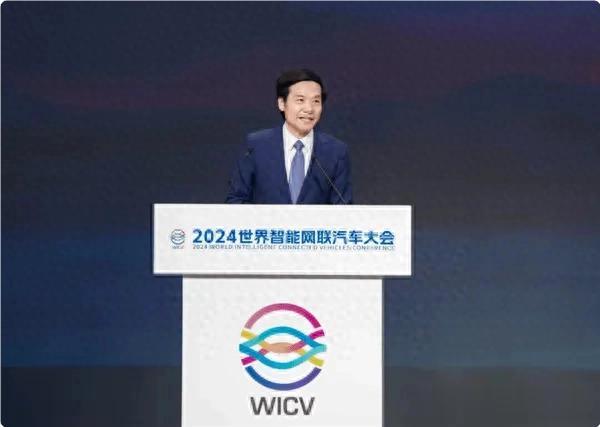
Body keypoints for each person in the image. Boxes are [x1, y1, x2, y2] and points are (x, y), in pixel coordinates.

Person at [225, 69, 353, 204]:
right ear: (282, 103)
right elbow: (236, 201)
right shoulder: (255, 146)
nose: (309, 109)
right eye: (300, 100)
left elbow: (343, 208)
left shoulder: (336, 152)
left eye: (316, 101)